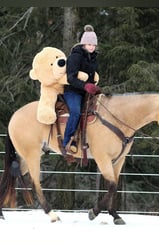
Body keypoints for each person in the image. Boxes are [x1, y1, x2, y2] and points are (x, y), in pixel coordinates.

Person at [63, 24, 101, 154]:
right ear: (83, 44)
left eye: (93, 45)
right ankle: (66, 141)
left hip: (86, 92)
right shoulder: (75, 57)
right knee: (75, 112)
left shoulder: (94, 58)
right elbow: (70, 78)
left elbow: (92, 76)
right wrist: (85, 86)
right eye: (89, 44)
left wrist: (94, 87)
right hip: (72, 91)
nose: (91, 47)